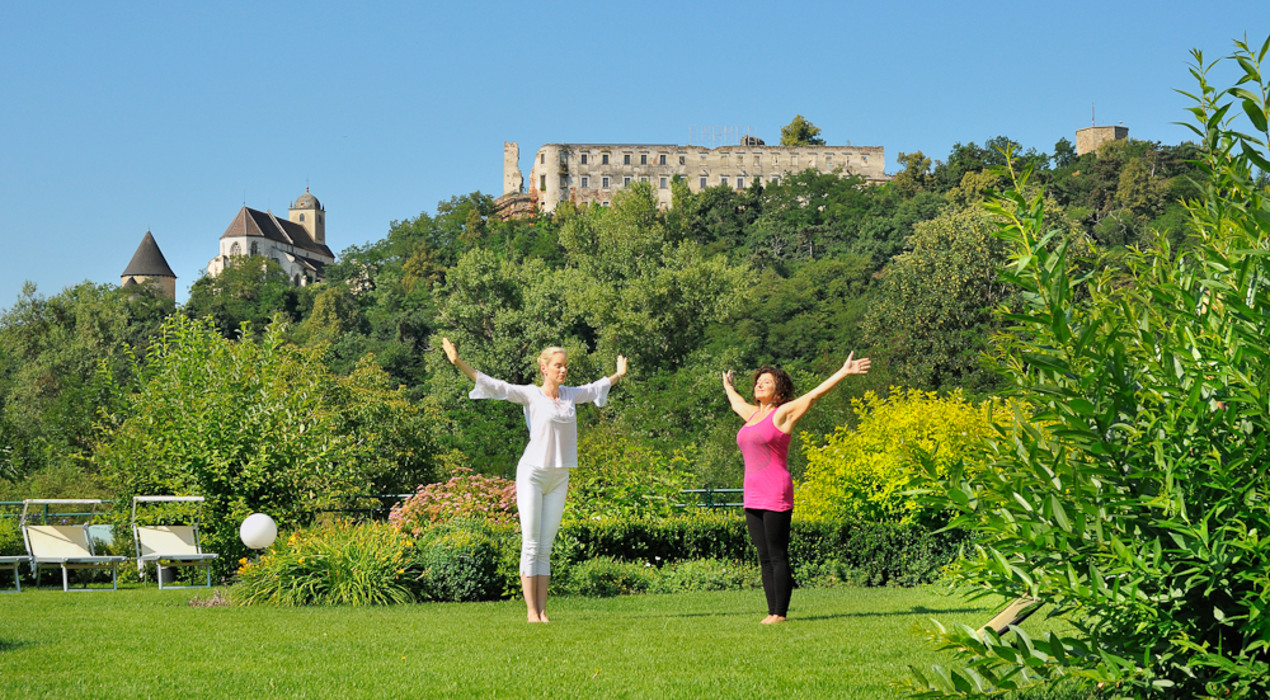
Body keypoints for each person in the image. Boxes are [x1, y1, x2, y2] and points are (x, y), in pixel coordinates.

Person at [442, 337, 627, 623]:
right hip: (532, 474)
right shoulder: (531, 394)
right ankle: (531, 613)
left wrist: (619, 375)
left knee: (545, 546)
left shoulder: (570, 395)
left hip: (559, 475)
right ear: (544, 367)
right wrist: (458, 363)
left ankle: (543, 611)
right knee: (531, 543)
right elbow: (497, 386)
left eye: (565, 366)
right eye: (558, 366)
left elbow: (595, 389)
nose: (563, 370)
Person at [722, 354, 871, 624]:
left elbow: (813, 396)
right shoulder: (752, 415)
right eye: (758, 382)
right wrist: (729, 387)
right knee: (763, 556)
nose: (759, 385)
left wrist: (843, 372)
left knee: (777, 554)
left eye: (766, 382)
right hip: (752, 494)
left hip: (775, 490)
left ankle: (780, 613)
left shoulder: (783, 414)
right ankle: (771, 611)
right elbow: (736, 404)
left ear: (779, 390)